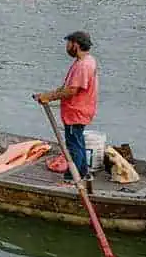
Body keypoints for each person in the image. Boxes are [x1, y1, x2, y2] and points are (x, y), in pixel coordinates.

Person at [35, 31, 98, 184]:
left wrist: (48, 97)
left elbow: (71, 90)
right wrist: (48, 94)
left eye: (68, 43)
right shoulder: (88, 60)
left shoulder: (83, 65)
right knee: (78, 142)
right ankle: (83, 173)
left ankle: (71, 179)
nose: (67, 47)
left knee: (73, 146)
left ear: (75, 44)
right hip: (81, 111)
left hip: (76, 112)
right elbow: (68, 86)